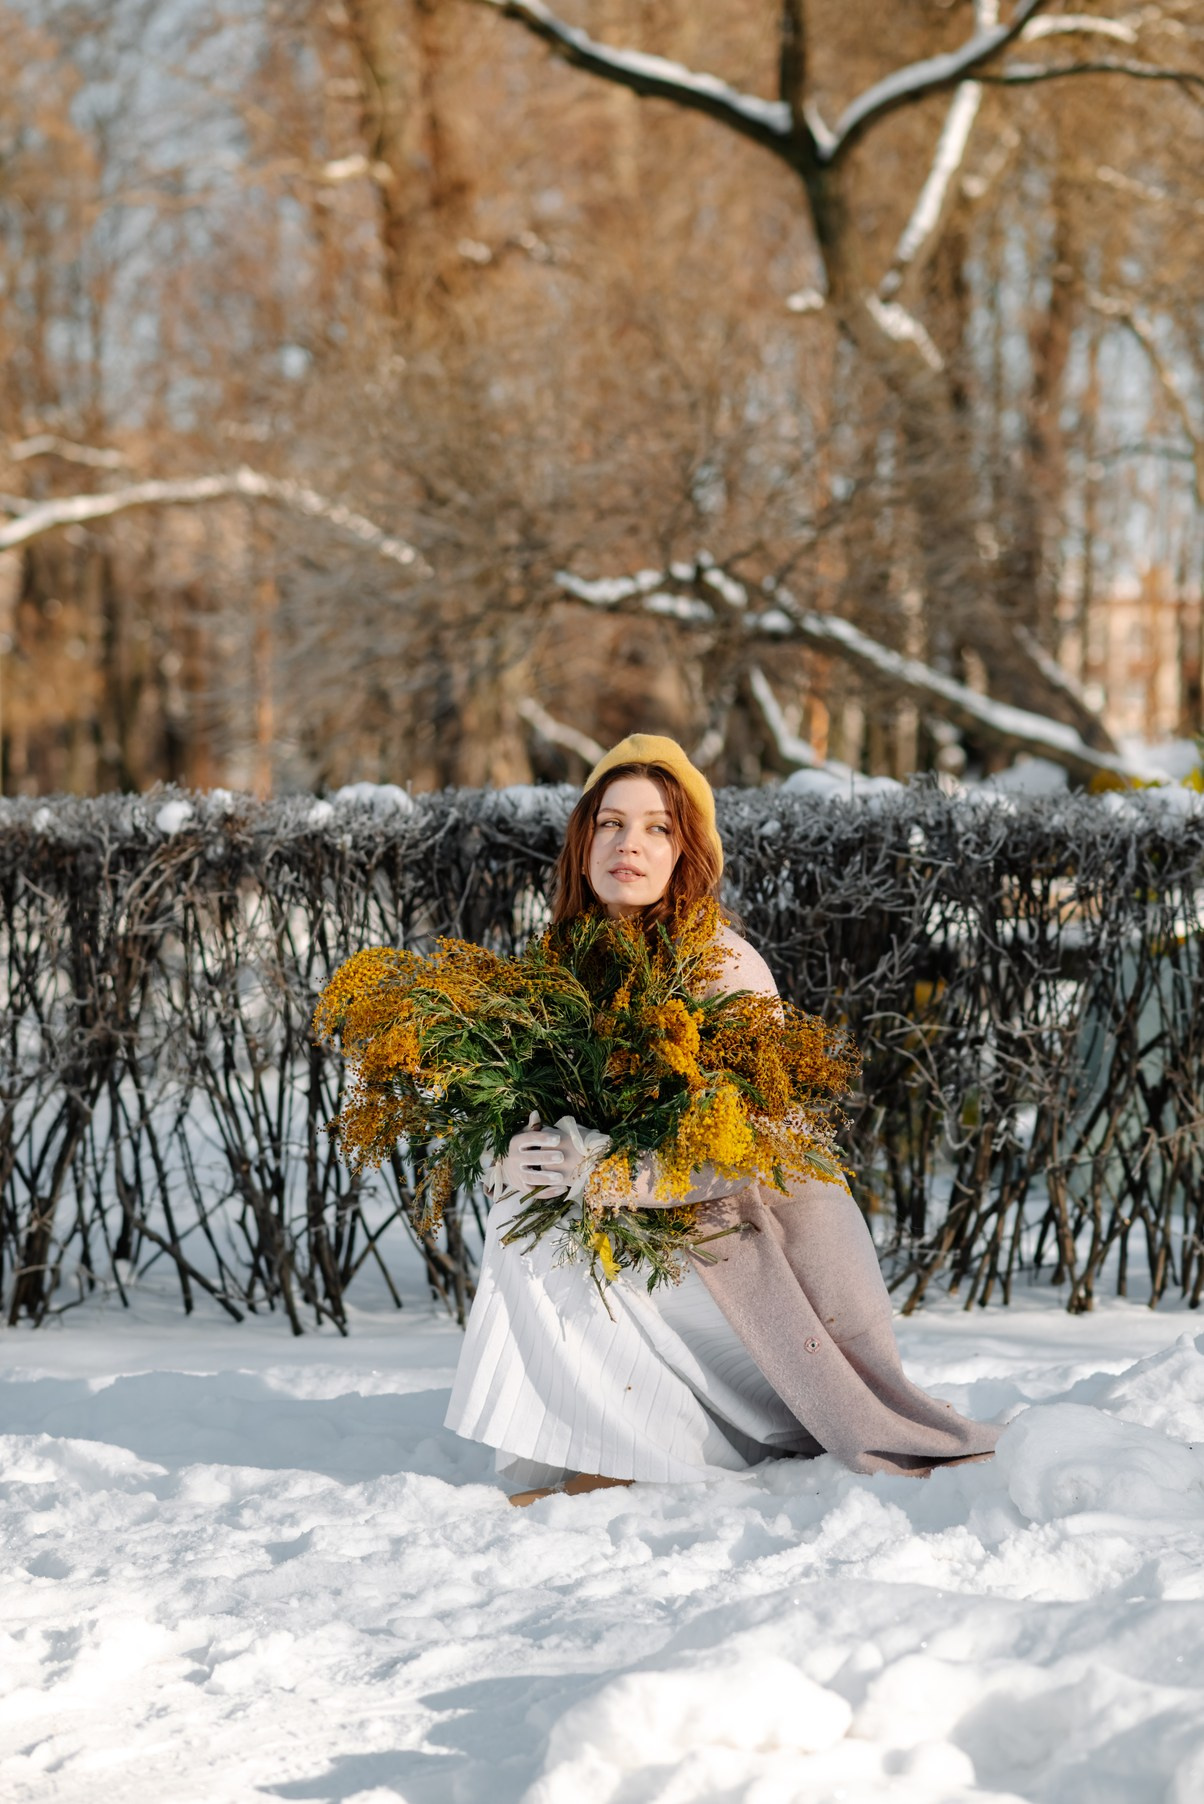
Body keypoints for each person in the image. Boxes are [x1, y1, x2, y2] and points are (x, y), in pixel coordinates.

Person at [445, 733, 1000, 1503]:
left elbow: (751, 1149)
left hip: (757, 1268)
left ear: (687, 853)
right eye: (610, 823)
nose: (629, 844)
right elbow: (508, 1110)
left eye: (658, 828)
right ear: (582, 843)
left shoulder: (722, 965)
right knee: (522, 1202)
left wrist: (603, 1174)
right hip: (662, 1241)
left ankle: (652, 1450)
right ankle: (597, 1438)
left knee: (549, 1221)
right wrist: (506, 1160)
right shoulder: (560, 968)